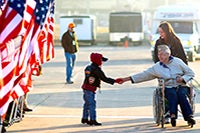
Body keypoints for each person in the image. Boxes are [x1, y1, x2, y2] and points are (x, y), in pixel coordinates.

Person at [116, 45, 196, 127]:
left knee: (181, 94)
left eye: (162, 54)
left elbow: (190, 73)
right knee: (172, 94)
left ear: (168, 54)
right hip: (167, 86)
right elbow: (144, 75)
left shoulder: (177, 62)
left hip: (181, 85)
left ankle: (189, 117)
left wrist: (183, 78)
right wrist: (126, 79)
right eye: (159, 54)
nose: (160, 56)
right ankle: (172, 115)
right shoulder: (157, 67)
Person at [81, 53, 120, 126]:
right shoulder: (96, 69)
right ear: (97, 61)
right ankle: (93, 120)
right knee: (92, 104)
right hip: (90, 89)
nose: (102, 62)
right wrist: (114, 81)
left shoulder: (88, 67)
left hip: (85, 88)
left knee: (87, 104)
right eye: (101, 60)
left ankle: (84, 118)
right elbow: (104, 78)